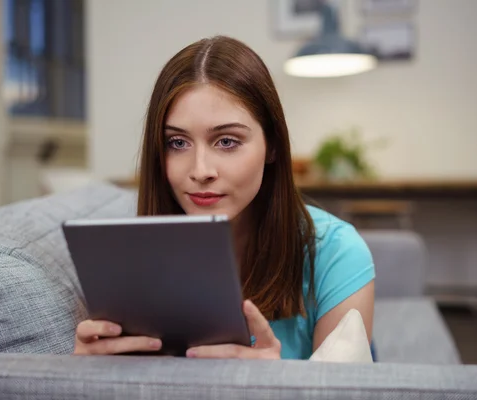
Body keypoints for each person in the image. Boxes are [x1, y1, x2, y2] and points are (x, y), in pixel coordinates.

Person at [74, 35, 375, 360]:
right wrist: (89, 377)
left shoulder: (337, 255)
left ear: (272, 145)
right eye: (177, 143)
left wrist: (276, 385)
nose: (201, 170)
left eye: (227, 141)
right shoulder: (127, 262)